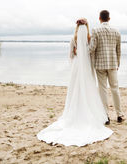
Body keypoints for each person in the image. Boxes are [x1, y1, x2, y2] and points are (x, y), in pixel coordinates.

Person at [37, 18, 113, 147]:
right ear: (87, 27)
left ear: (77, 28)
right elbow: (91, 51)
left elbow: (71, 56)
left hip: (77, 68)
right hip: (87, 68)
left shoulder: (73, 39)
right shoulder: (90, 38)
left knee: (75, 88)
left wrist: (75, 54)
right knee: (89, 88)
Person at [89, 10, 123, 124]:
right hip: (113, 63)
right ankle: (120, 115)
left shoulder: (95, 30)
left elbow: (92, 48)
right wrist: (118, 63)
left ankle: (106, 116)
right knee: (115, 89)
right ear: (109, 18)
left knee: (102, 89)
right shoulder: (116, 31)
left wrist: (80, 50)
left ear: (99, 18)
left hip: (100, 64)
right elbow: (119, 50)